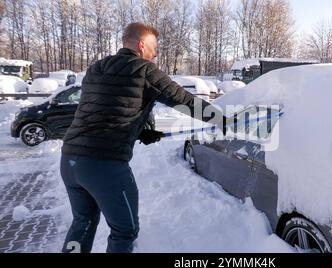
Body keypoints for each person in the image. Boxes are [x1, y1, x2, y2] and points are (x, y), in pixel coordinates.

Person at [60, 22, 225, 253]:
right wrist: (220, 119)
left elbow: (105, 110)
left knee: (83, 223)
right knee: (124, 231)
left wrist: (140, 130)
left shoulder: (96, 68)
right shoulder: (145, 70)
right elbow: (185, 101)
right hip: (104, 166)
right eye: (154, 47)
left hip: (70, 161)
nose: (155, 52)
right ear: (141, 45)